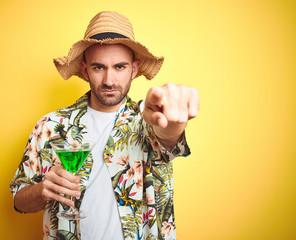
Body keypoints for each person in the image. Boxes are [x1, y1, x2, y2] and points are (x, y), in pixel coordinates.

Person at [10, 11, 199, 240]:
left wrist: (173, 126)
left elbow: (168, 139)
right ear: (84, 69)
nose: (109, 81)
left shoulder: (148, 120)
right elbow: (20, 200)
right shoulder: (50, 125)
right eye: (99, 67)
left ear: (135, 68)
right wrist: (42, 191)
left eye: (119, 67)